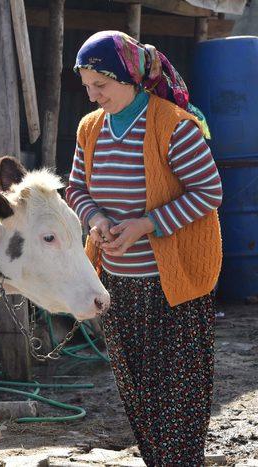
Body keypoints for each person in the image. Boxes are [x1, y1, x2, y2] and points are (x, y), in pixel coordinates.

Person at [65, 31, 223, 466]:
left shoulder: (174, 124)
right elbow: (75, 188)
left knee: (179, 399)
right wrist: (96, 220)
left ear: (128, 77)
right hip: (118, 284)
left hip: (173, 287)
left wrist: (145, 225)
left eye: (102, 85)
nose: (95, 96)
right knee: (138, 395)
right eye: (88, 88)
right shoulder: (90, 129)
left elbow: (209, 192)